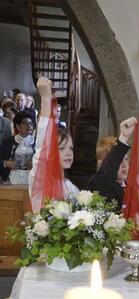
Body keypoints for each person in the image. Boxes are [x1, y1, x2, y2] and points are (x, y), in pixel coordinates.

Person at [28, 77, 79, 212]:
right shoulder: (41, 179)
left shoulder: (71, 187)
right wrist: (45, 99)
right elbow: (42, 146)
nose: (69, 153)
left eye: (71, 148)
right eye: (62, 148)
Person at [88, 117, 137, 211]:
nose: (124, 165)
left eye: (126, 159)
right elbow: (108, 170)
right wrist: (123, 137)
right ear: (101, 165)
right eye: (119, 161)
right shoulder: (99, 183)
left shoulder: (128, 186)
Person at [0, 111, 35, 184]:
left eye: (30, 123)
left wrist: (35, 163)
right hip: (11, 179)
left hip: (33, 180)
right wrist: (6, 163)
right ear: (18, 126)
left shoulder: (36, 142)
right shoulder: (8, 141)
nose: (29, 126)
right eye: (25, 123)